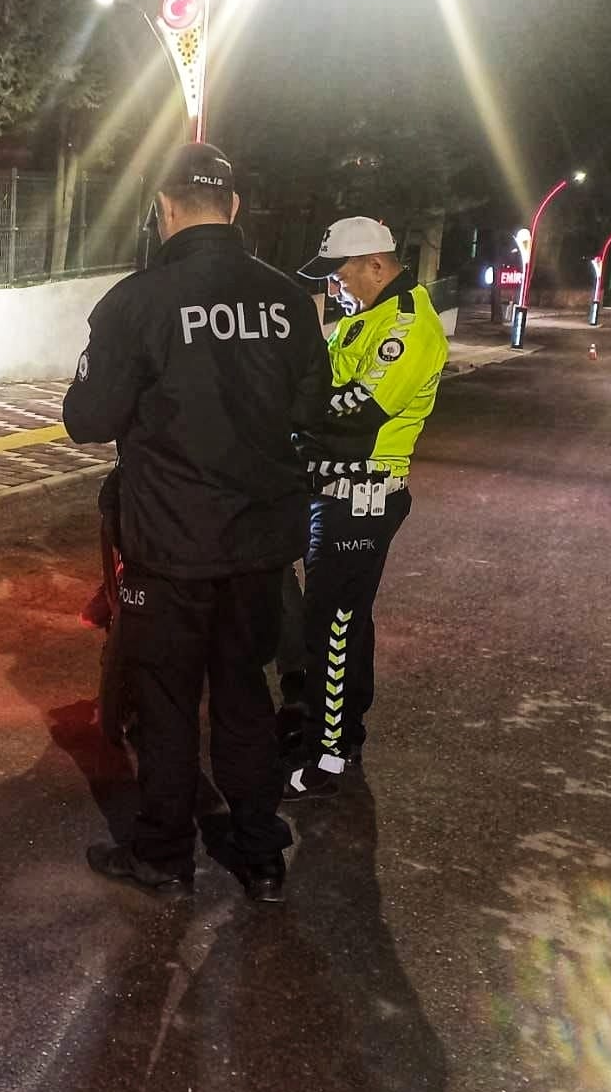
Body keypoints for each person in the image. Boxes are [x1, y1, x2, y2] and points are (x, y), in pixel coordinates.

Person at [63, 143, 329, 902]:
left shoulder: (135, 303)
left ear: (165, 208)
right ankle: (261, 855)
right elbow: (312, 409)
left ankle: (165, 855)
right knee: (245, 692)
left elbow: (87, 419)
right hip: (259, 546)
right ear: (234, 207)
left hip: (170, 545)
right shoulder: (287, 300)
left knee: (168, 701)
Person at [284, 216, 448, 801]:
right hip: (333, 493)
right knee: (345, 619)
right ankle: (341, 730)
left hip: (362, 496)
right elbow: (320, 391)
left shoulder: (407, 325)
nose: (336, 284)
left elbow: (355, 416)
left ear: (376, 264)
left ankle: (326, 756)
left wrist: (290, 412)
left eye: (341, 272)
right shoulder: (365, 320)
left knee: (330, 623)